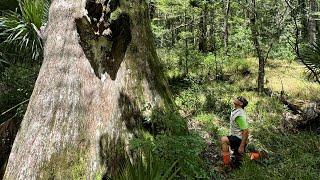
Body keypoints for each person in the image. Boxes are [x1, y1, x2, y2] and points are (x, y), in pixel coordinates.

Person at [220, 96, 249, 167]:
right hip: (235, 136)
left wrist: (242, 146)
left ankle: (226, 165)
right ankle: (258, 155)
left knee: (224, 140)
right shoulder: (236, 110)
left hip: (239, 138)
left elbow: (245, 131)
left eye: (238, 99)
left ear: (241, 104)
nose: (236, 98)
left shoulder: (239, 115)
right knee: (239, 158)